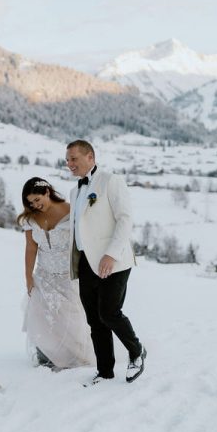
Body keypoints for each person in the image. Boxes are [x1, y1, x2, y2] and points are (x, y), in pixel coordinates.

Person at [66, 140, 147, 386]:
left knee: (109, 313)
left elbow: (125, 219)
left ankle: (136, 352)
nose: (69, 164)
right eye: (67, 160)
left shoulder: (111, 181)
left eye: (74, 159)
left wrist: (111, 254)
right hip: (86, 264)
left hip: (114, 261)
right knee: (94, 320)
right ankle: (105, 372)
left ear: (90, 156)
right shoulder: (75, 191)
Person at [18, 177, 94, 371]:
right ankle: (47, 356)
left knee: (73, 317)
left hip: (68, 275)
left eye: (37, 199)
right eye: (30, 202)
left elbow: (85, 240)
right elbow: (30, 249)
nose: (35, 205)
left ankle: (77, 355)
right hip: (44, 275)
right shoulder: (30, 219)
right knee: (43, 316)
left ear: (47, 192)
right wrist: (28, 277)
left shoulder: (71, 210)